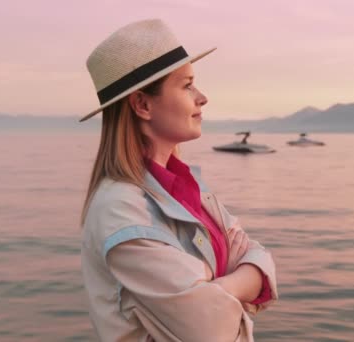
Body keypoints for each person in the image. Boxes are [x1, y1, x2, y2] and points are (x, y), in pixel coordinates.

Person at [79, 19, 278, 341]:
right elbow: (209, 329)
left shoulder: (186, 187)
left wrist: (217, 287)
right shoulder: (120, 208)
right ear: (142, 104)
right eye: (187, 85)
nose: (202, 97)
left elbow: (257, 253)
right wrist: (237, 278)